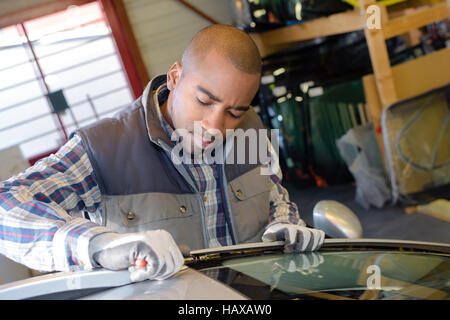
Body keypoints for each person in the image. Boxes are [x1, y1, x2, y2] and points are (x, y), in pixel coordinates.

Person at [0, 25, 324, 283]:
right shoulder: (104, 149)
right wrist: (98, 245)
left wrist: (286, 224)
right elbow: (5, 205)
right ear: (175, 76)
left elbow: (275, 198)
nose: (214, 125)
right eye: (205, 101)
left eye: (234, 112)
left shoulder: (251, 130)